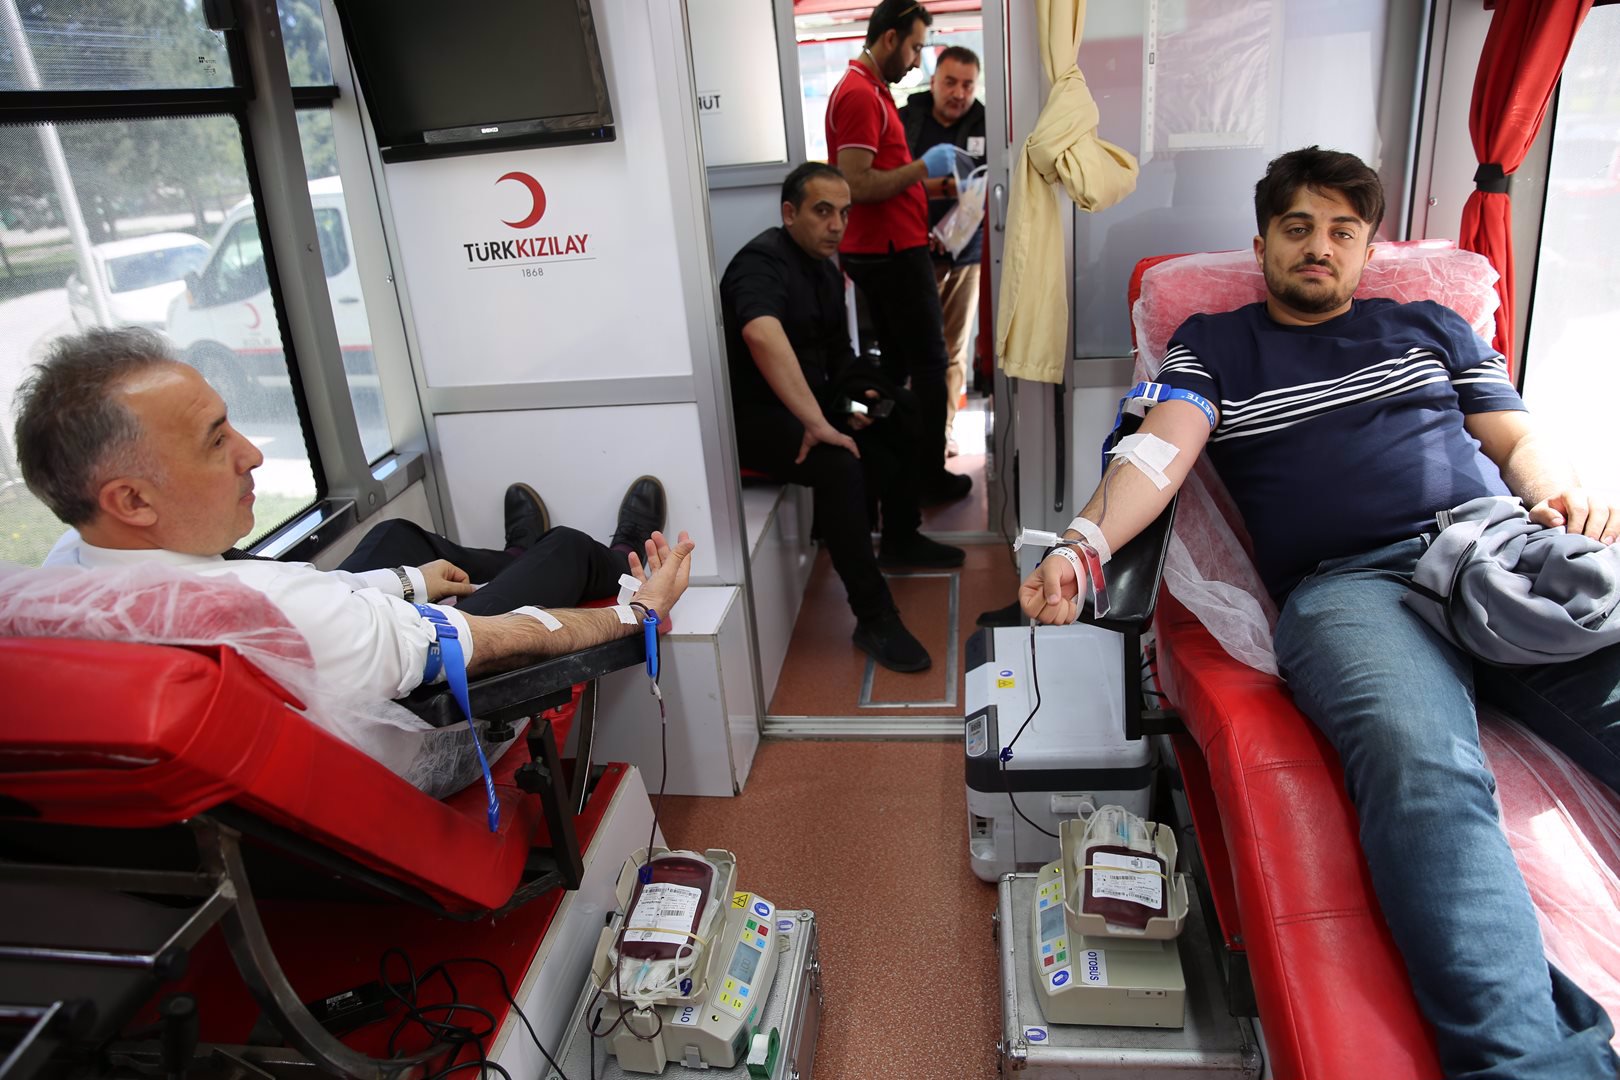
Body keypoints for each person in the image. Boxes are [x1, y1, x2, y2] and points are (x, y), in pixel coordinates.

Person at [1021, 147, 1620, 1079]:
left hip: (1493, 550)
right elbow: (1156, 456)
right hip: (1353, 590)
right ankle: (1530, 1064)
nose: (1319, 247)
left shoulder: (1427, 327)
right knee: (1424, 769)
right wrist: (1081, 547)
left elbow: (1516, 437)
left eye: (1342, 231)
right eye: (1297, 227)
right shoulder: (1216, 344)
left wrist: (1559, 493)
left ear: (1366, 251)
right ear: (1262, 242)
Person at [16, 327, 693, 704]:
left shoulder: (64, 574)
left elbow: (318, 604)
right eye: (216, 442)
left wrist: (407, 581)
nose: (252, 454)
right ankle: (617, 559)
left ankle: (517, 558)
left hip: (348, 643)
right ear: (132, 500)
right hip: (422, 707)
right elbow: (496, 642)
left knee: (398, 539)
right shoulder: (282, 612)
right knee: (568, 546)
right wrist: (640, 613)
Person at [722, 162, 962, 673]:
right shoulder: (760, 263)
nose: (837, 225)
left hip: (815, 403)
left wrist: (863, 396)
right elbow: (761, 334)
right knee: (839, 465)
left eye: (845, 213)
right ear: (790, 213)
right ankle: (874, 617)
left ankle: (900, 536)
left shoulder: (826, 270)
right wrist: (819, 422)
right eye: (823, 211)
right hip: (759, 419)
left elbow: (837, 354)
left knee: (901, 407)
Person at [825, 0, 969, 503]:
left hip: (893, 246)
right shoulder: (859, 94)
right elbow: (856, 183)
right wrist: (924, 167)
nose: (916, 61)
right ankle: (927, 476)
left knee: (901, 366)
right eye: (914, 48)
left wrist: (929, 188)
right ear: (890, 38)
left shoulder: (872, 90)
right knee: (930, 363)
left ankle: (894, 467)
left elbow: (882, 177)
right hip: (889, 253)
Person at [899, 44, 986, 458]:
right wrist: (947, 188)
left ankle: (943, 430)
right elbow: (892, 181)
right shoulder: (907, 120)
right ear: (933, 81)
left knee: (954, 349)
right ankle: (911, 430)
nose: (959, 93)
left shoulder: (986, 121)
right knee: (915, 349)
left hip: (966, 255)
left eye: (968, 85)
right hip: (912, 252)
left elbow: (991, 184)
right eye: (950, 82)